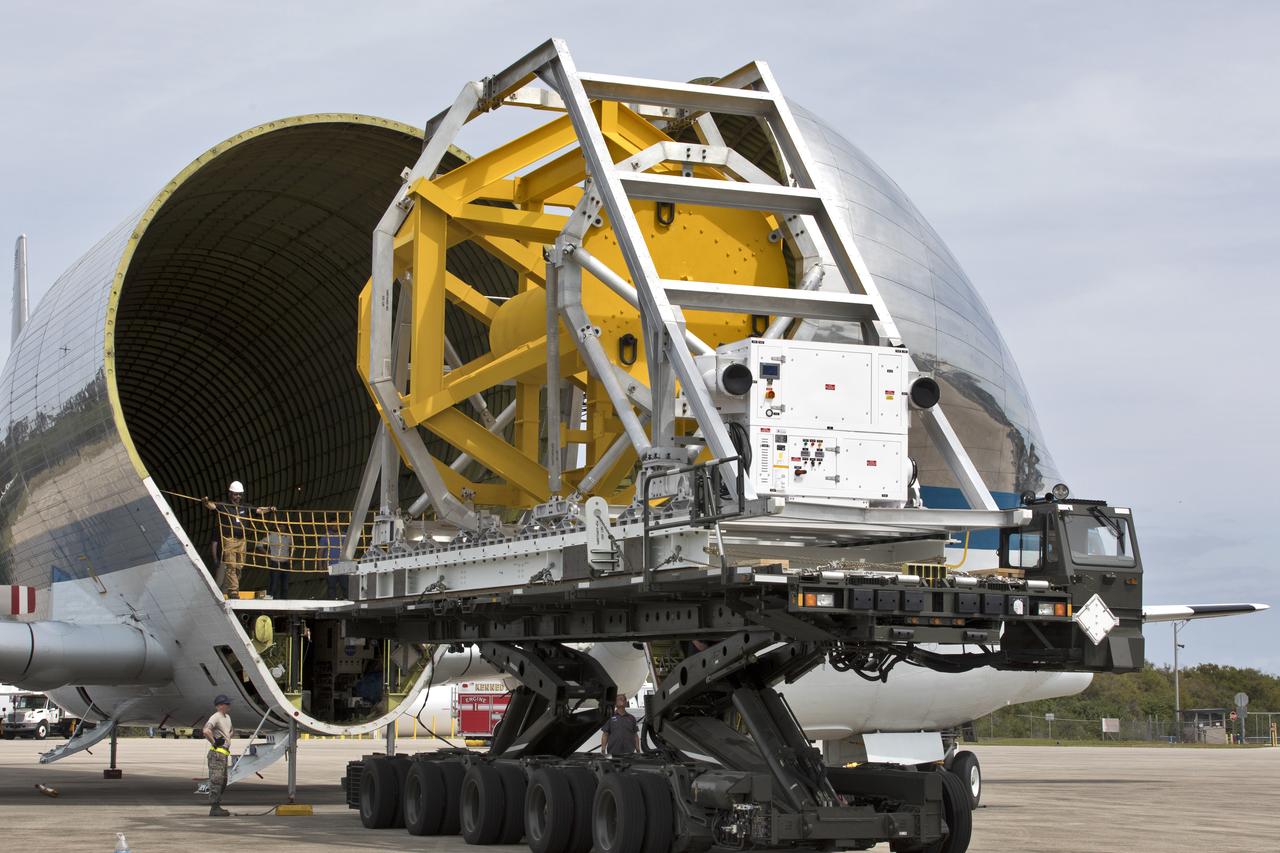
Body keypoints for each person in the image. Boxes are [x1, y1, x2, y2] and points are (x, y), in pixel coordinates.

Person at [204, 481, 274, 598]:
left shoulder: (245, 507)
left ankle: (228, 588)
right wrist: (205, 502)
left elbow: (258, 510)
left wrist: (270, 509)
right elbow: (212, 506)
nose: (238, 497)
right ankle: (233, 591)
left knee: (239, 566)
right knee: (231, 566)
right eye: (235, 494)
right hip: (229, 540)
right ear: (230, 493)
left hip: (242, 541)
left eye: (240, 494)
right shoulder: (224, 506)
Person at [202, 694, 234, 817]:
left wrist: (227, 737)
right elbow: (206, 730)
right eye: (227, 703)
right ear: (220, 706)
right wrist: (214, 742)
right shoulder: (215, 717)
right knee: (216, 781)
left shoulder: (227, 717)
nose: (229, 705)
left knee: (223, 781)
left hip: (224, 754)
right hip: (217, 754)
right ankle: (214, 808)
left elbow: (230, 731)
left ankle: (217, 805)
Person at [259, 526, 293, 599]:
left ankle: (284, 602)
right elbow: (259, 545)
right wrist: (268, 554)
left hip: (285, 563)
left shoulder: (289, 537)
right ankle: (272, 601)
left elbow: (293, 546)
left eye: (283, 526)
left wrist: (290, 556)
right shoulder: (272, 536)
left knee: (285, 585)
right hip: (275, 562)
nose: (282, 528)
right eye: (280, 526)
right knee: (274, 584)